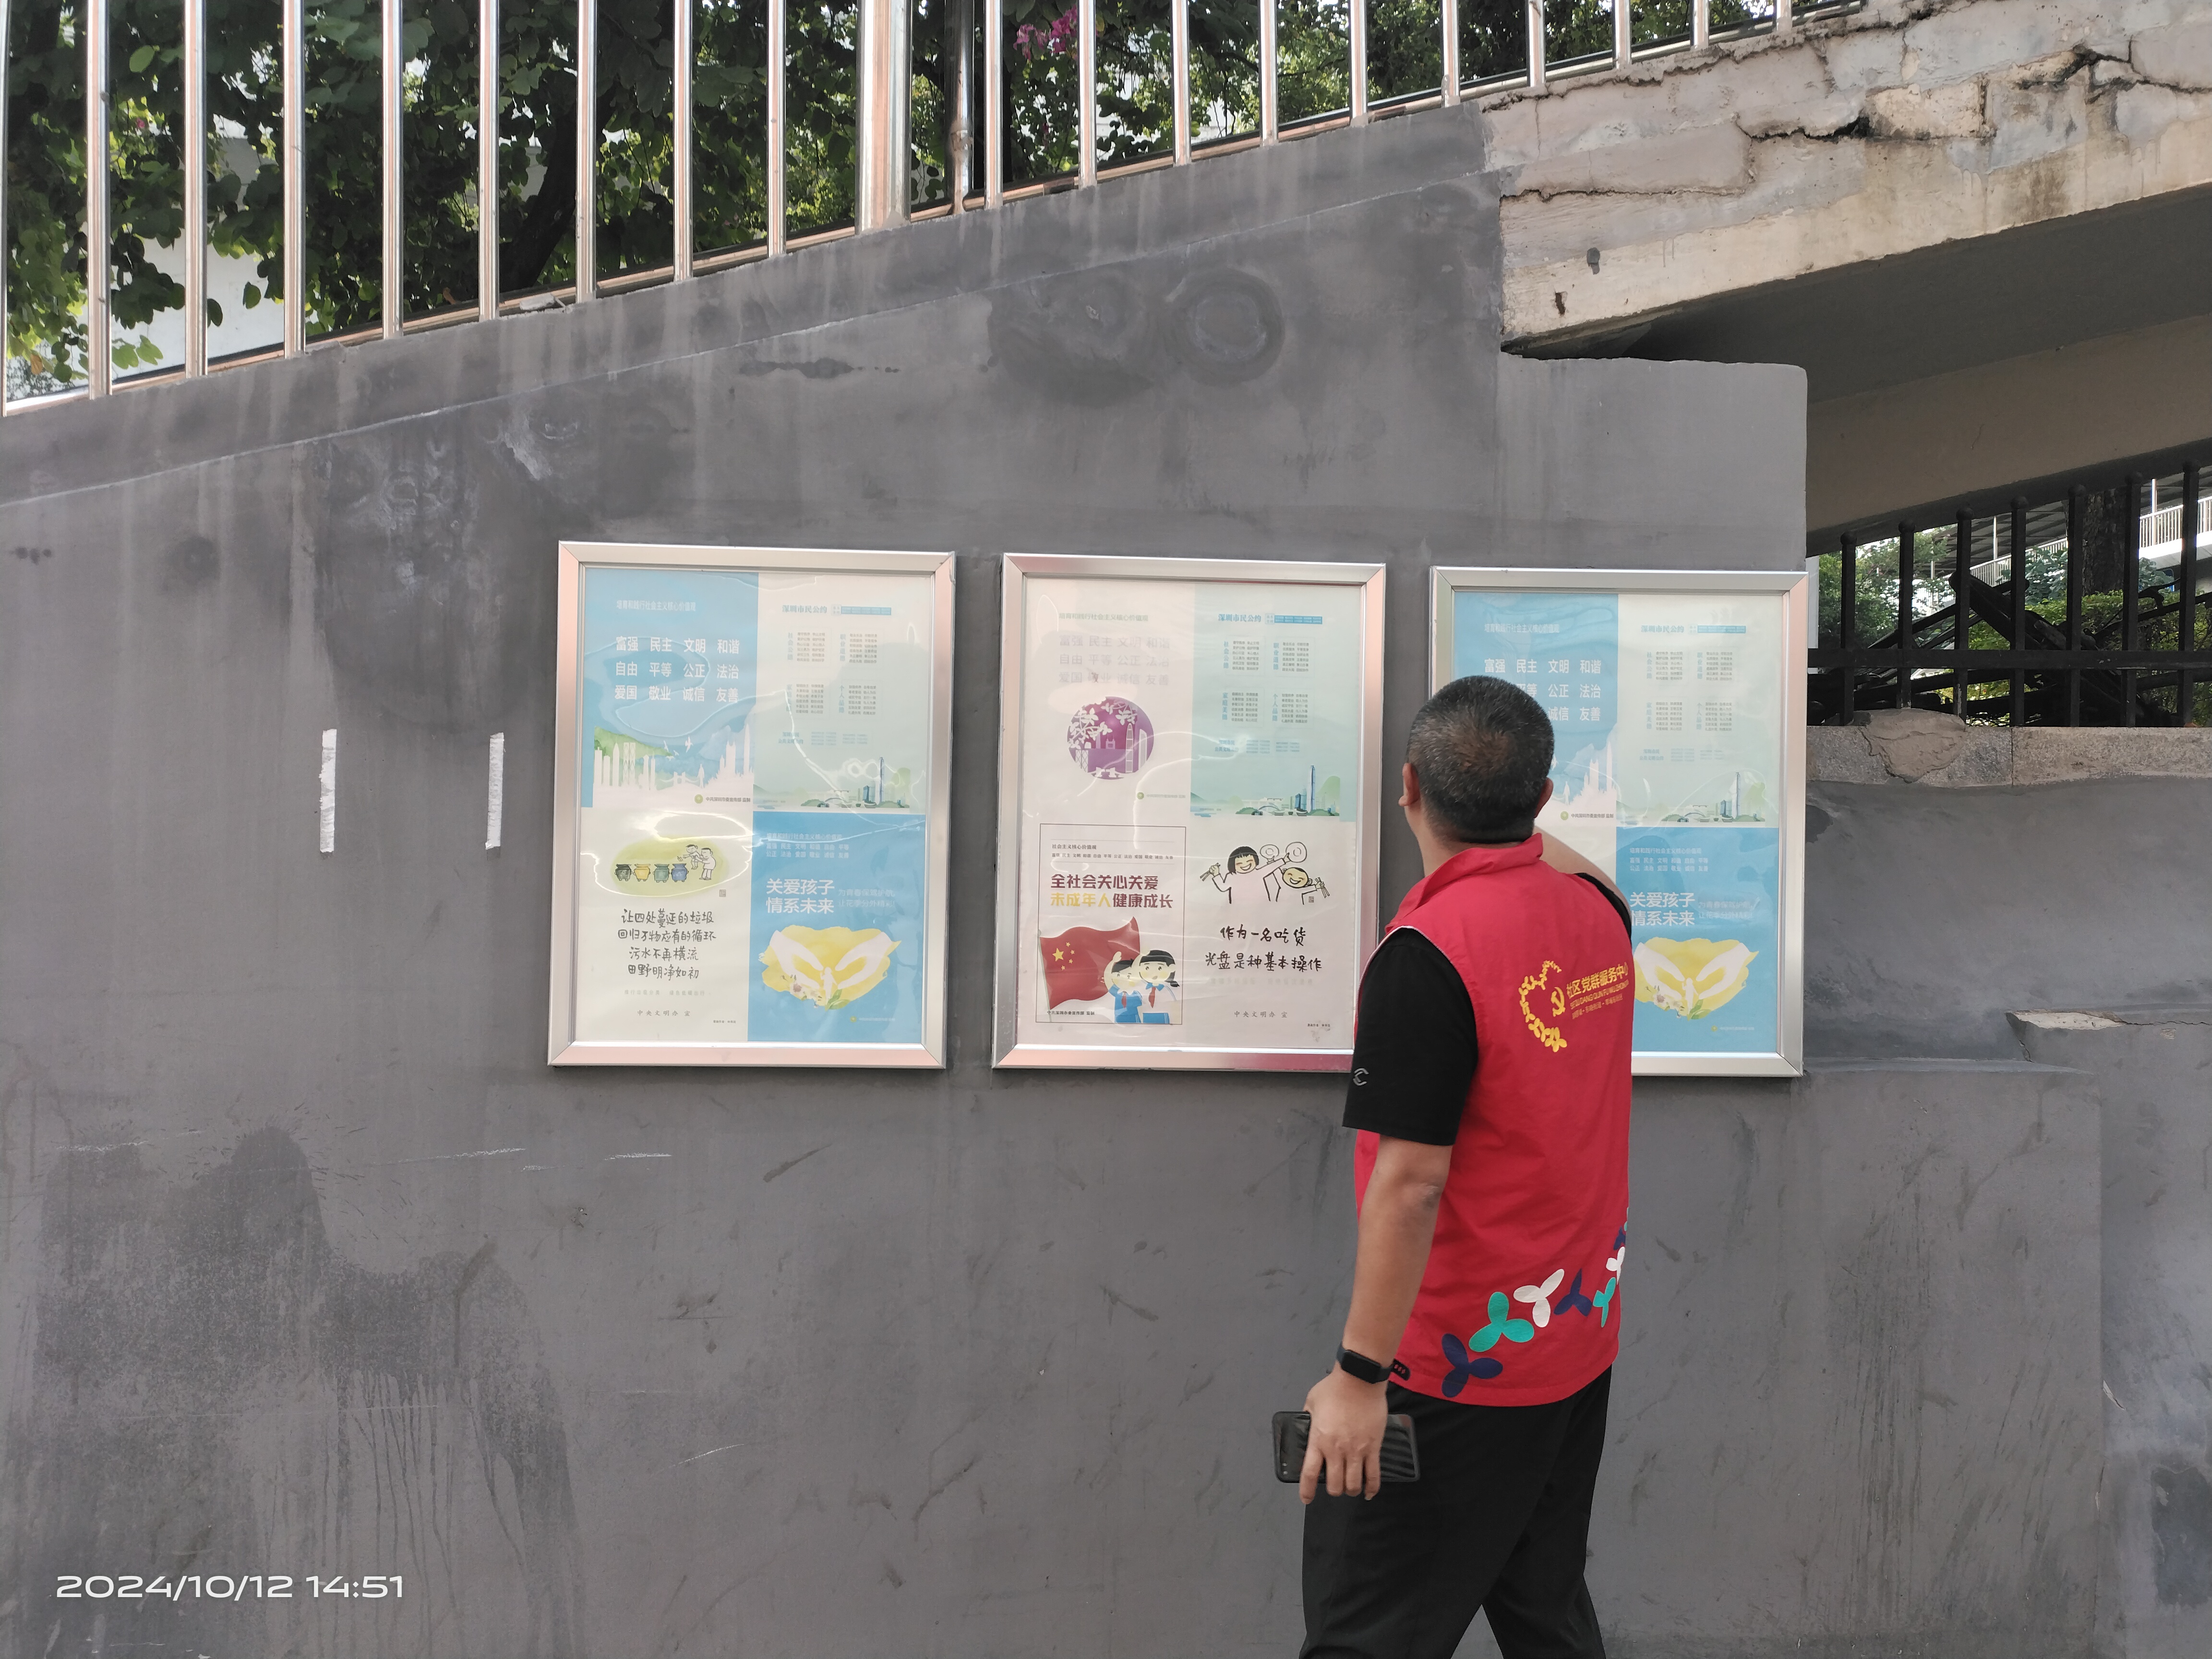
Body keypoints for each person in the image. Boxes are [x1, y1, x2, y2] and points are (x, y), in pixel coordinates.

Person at [1298, 675, 1635, 1659]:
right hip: (1572, 1342)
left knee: (1366, 1633)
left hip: (1452, 1373)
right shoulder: (1598, 913)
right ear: (1543, 798)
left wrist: (1359, 1379)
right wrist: (1518, 817)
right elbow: (1572, 866)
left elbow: (1412, 1184)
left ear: (1408, 787)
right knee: (1543, 1612)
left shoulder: (1428, 953)